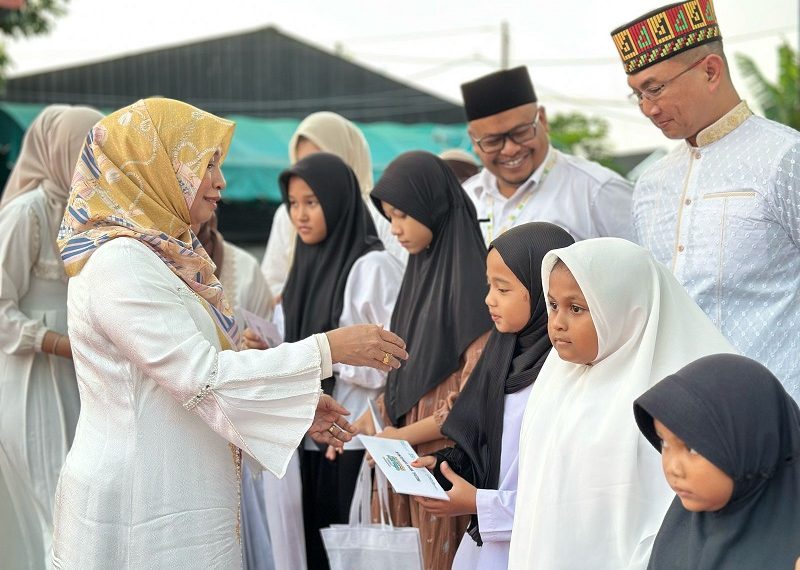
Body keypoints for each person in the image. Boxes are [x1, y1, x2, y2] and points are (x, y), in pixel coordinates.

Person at [51, 97, 407, 568]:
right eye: (206, 164)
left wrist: (297, 407)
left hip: (171, 487)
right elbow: (201, 375)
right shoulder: (121, 263)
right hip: (141, 502)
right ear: (157, 167)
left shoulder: (163, 256)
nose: (220, 181)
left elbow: (199, 374)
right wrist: (327, 349)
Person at [610, 0, 800, 401]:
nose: (647, 108)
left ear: (710, 71)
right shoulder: (651, 184)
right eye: (637, 95)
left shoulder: (785, 158)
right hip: (681, 416)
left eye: (655, 88)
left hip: (777, 411)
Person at [507, 237, 736, 569]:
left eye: (576, 308)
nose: (557, 323)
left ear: (626, 308)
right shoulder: (555, 377)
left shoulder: (675, 395)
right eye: (553, 305)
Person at [411, 222, 575, 569]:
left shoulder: (566, 370)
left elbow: (571, 497)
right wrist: (445, 466)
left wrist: (482, 503)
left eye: (503, 288)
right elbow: (486, 443)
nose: (489, 299)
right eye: (490, 286)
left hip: (537, 547)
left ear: (542, 291)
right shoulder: (502, 354)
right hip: (488, 546)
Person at [275, 152, 403, 570]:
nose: (300, 215)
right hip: (305, 434)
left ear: (338, 201)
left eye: (311, 202)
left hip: (354, 435)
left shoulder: (372, 266)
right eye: (293, 204)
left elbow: (393, 357)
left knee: (345, 553)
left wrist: (327, 356)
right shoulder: (303, 267)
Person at [368, 151, 493, 570]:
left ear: (432, 207)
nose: (395, 228)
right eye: (389, 216)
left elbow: (470, 399)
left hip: (443, 462)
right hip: (405, 457)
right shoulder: (418, 276)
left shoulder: (476, 287)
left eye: (403, 214)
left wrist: (401, 438)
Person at [0, 104, 102, 570]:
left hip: (78, 378)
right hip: (32, 380)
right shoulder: (28, 214)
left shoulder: (89, 215)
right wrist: (54, 343)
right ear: (59, 150)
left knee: (81, 505)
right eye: (83, 149)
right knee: (54, 503)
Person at [634, 354, 800, 569]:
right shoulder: (681, 530)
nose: (673, 468)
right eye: (664, 443)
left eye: (692, 448)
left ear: (750, 445)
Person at [459, 65, 633, 245]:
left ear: (542, 119)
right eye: (493, 141)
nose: (510, 149)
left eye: (521, 132)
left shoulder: (597, 191)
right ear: (474, 141)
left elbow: (644, 267)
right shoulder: (464, 199)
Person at [260, 111, 406, 300]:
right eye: (303, 162)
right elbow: (272, 281)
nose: (312, 171)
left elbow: (395, 287)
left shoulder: (381, 215)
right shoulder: (288, 215)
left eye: (322, 161)